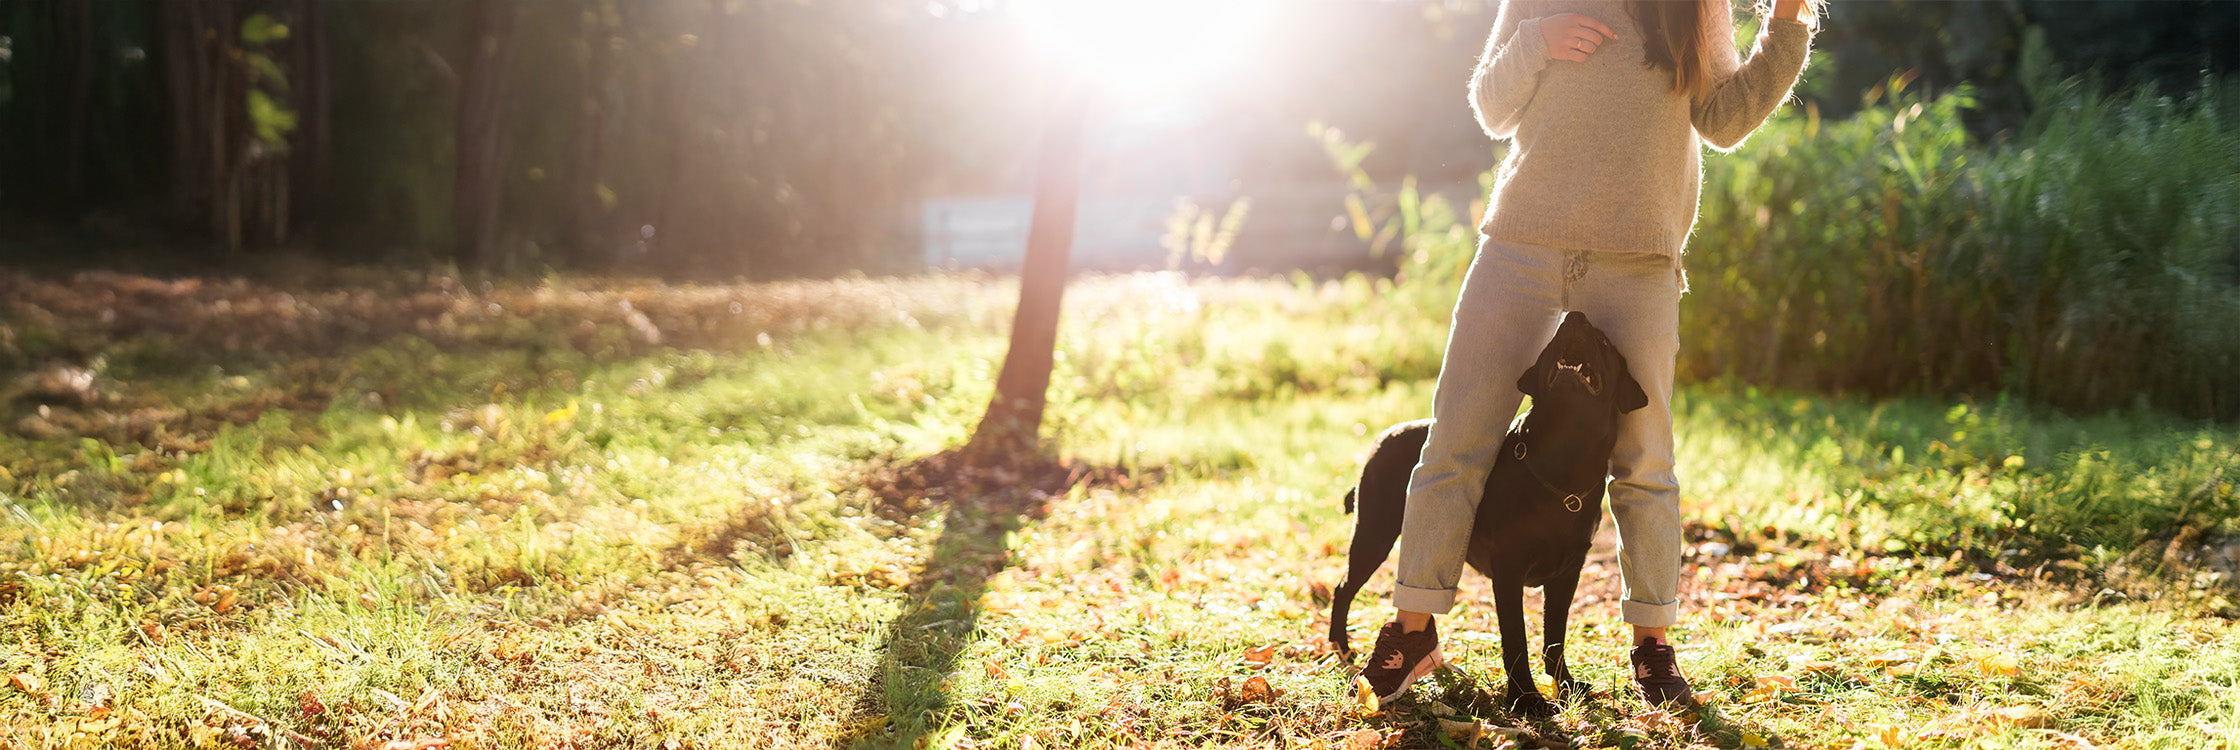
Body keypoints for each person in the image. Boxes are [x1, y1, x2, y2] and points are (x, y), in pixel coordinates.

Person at [1354, 0, 1820, 707]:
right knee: (1457, 440)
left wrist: (1787, 19)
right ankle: (1414, 628)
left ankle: (1652, 645)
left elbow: (1725, 120)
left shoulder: (1698, 7)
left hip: (1638, 263)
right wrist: (1538, 39)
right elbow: (1491, 106)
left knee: (1645, 461)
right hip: (1521, 249)